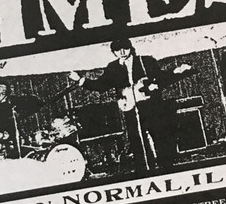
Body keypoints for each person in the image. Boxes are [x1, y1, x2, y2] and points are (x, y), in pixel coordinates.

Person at [69, 38, 180, 174]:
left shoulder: (145, 61)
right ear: (114, 52)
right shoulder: (113, 67)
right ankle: (143, 170)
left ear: (130, 48)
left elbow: (160, 77)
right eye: (117, 50)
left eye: (124, 49)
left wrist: (175, 72)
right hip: (130, 108)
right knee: (136, 140)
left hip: (151, 106)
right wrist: (81, 80)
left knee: (159, 135)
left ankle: (167, 168)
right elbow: (101, 85)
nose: (121, 52)